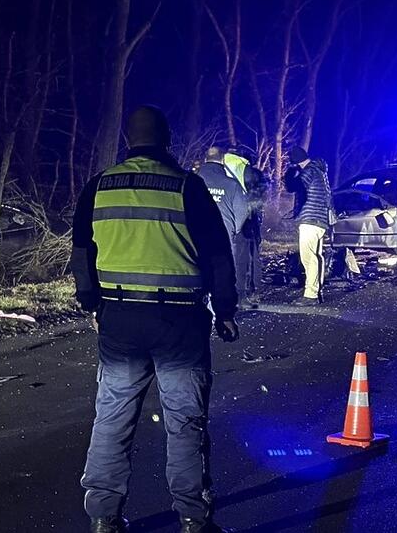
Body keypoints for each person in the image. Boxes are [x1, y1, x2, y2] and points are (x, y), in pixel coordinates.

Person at [72, 105, 239, 533]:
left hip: (120, 320)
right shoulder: (188, 187)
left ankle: (104, 519)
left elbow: (82, 256)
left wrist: (93, 305)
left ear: (129, 140)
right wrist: (225, 311)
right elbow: (219, 256)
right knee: (185, 422)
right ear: (165, 139)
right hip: (180, 322)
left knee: (112, 419)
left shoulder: (98, 187)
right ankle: (193, 520)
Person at [197, 146, 254, 310]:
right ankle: (219, 311)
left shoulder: (192, 181)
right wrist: (233, 229)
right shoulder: (232, 184)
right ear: (222, 161)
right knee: (222, 273)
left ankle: (200, 308)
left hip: (196, 234)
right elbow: (242, 210)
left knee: (199, 270)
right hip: (223, 236)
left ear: (205, 160)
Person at [282, 145, 333, 304]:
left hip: (310, 219)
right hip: (320, 220)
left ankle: (310, 295)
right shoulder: (320, 172)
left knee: (308, 257)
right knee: (317, 256)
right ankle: (317, 290)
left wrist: (289, 174)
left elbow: (293, 187)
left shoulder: (308, 172)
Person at [224, 146, 267, 305]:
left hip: (225, 217)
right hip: (247, 220)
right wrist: (252, 210)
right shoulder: (248, 170)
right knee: (250, 256)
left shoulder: (222, 168)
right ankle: (251, 291)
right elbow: (259, 196)